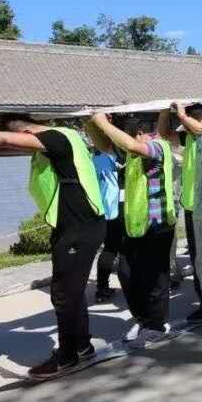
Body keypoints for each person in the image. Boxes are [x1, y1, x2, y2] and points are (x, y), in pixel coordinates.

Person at [0, 115, 107, 379]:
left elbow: (4, 140)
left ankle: (67, 357)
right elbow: (1, 148)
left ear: (26, 131)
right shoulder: (63, 139)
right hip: (79, 225)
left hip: (78, 228)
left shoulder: (56, 138)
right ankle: (82, 346)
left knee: (63, 294)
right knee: (72, 291)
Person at [90, 113, 176, 348]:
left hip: (158, 223)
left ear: (140, 134)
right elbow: (105, 146)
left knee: (155, 278)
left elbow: (129, 144)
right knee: (126, 273)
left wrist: (103, 123)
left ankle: (157, 326)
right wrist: (91, 122)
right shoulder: (131, 151)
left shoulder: (157, 146)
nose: (121, 145)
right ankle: (143, 319)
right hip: (136, 224)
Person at [159, 102, 202, 322]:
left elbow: (201, 129)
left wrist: (180, 113)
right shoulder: (189, 136)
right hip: (191, 208)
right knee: (198, 259)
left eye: (188, 122)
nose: (185, 128)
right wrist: (164, 110)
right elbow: (164, 133)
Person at [91, 130, 124, 304]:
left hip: (102, 208)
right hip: (118, 207)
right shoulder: (115, 159)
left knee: (108, 248)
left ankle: (101, 289)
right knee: (121, 249)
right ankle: (131, 286)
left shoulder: (94, 159)